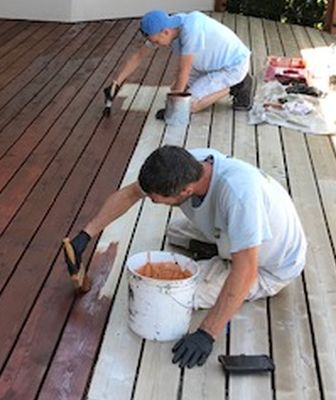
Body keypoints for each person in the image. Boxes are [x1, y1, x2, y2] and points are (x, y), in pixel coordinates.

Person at [63, 146, 307, 369]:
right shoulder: (188, 164)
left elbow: (246, 272)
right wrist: (86, 235)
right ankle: (223, 247)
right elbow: (130, 193)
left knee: (169, 295)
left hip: (270, 266)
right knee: (175, 232)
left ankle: (225, 253)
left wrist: (206, 333)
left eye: (156, 198)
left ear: (186, 190)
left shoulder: (239, 197)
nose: (151, 200)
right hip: (242, 233)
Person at [102, 10, 255, 119]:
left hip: (232, 66)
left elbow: (184, 72)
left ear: (166, 32)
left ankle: (237, 85)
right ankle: (224, 84)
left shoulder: (190, 31)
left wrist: (175, 109)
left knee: (189, 105)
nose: (156, 45)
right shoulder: (170, 24)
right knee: (175, 90)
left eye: (156, 41)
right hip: (209, 63)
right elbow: (138, 56)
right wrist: (116, 82)